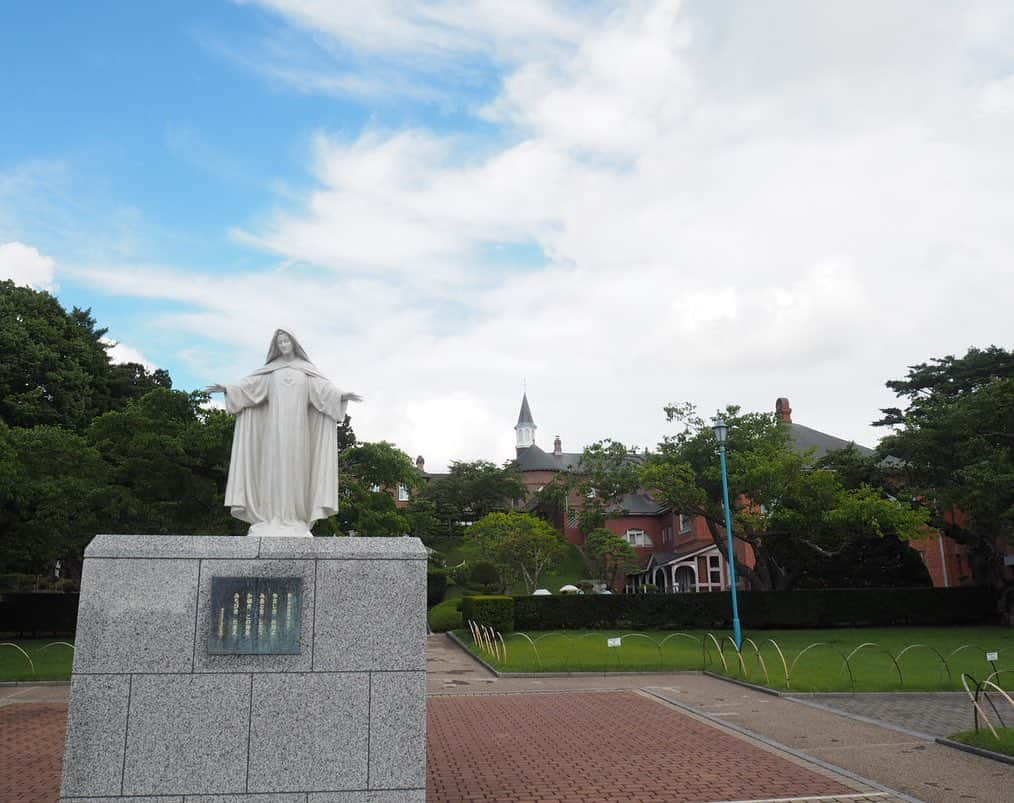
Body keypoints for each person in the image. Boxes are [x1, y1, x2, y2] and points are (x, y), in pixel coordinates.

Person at [206, 329, 361, 536]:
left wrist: (342, 395)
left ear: (294, 343)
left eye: (286, 340)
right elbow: (249, 388)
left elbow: (324, 392)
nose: (283, 345)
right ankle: (271, 517)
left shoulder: (307, 372)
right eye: (280, 342)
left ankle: (295, 518)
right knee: (272, 471)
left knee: (297, 471)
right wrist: (228, 388)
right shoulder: (271, 372)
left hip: (299, 433)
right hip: (273, 432)